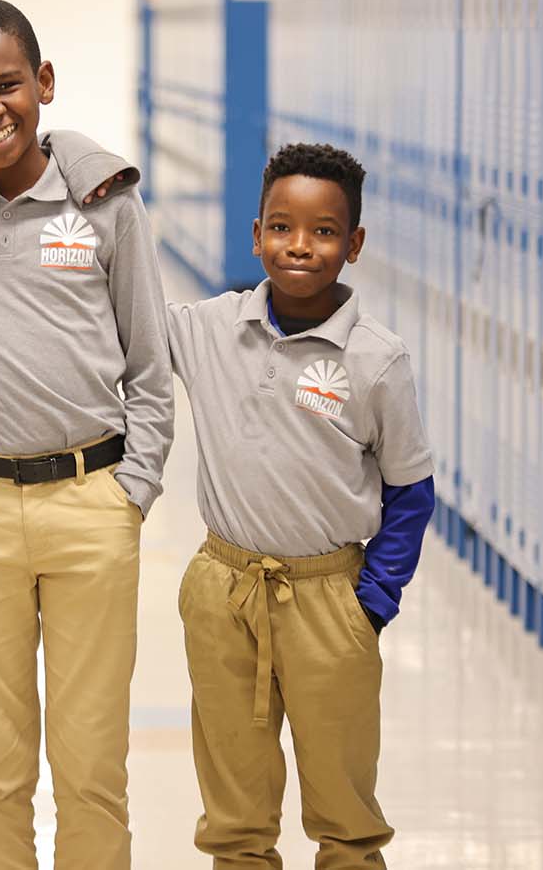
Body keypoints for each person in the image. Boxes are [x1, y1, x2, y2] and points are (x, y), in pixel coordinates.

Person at [0, 0, 174, 870]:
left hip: (92, 505)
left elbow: (150, 365)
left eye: (7, 84)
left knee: (91, 767)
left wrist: (132, 493)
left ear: (44, 82)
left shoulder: (104, 204)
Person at [166, 142, 436, 869]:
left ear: (354, 244)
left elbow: (411, 491)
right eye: (281, 227)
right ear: (257, 234)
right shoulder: (208, 327)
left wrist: (371, 602)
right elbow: (116, 310)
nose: (299, 246)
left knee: (346, 818)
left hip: (330, 600)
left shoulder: (377, 358)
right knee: (234, 817)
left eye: (323, 231)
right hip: (224, 593)